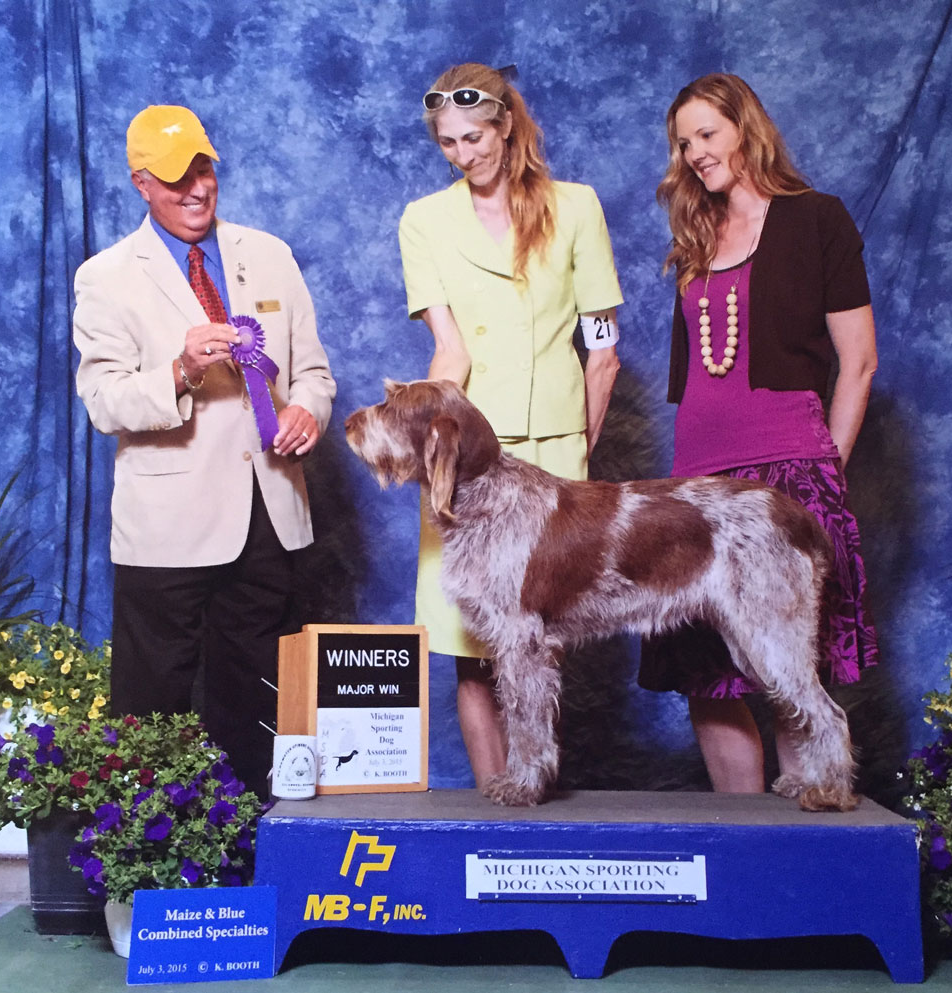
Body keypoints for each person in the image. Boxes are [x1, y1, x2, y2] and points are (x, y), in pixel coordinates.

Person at [73, 105, 336, 796]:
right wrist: (181, 371)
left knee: (253, 704)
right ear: (139, 183)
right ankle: (142, 869)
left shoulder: (269, 254)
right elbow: (105, 402)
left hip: (269, 512)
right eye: (173, 177)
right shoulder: (105, 277)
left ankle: (251, 857)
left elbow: (313, 371)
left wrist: (308, 410)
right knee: (150, 705)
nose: (195, 188)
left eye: (203, 168)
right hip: (166, 526)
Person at [640, 73, 879, 793]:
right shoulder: (693, 238)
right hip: (698, 486)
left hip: (787, 473)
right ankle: (743, 845)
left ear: (747, 127)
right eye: (684, 143)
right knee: (706, 676)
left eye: (707, 135)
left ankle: (804, 854)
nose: (695, 154)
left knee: (787, 669)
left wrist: (824, 473)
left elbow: (859, 362)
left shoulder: (817, 219)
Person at [398, 63, 624, 788]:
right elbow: (450, 351)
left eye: (474, 136)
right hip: (466, 458)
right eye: (447, 143)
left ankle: (539, 787)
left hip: (556, 455)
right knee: (472, 645)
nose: (464, 155)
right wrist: (440, 463)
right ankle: (495, 804)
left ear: (506, 125)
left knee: (542, 637)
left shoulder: (577, 208)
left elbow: (604, 351)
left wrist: (574, 450)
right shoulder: (424, 220)